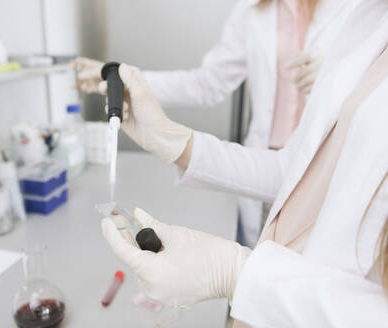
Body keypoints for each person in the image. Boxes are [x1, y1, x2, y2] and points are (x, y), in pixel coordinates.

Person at [99, 0, 388, 326]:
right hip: (274, 275)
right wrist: (178, 142)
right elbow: (298, 170)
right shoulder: (372, 19)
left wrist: (236, 272)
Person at [73, 0, 360, 247]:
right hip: (263, 164)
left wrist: (341, 75)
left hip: (327, 169)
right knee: (256, 274)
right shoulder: (253, 10)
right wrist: (125, 78)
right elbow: (207, 83)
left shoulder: (360, 8)